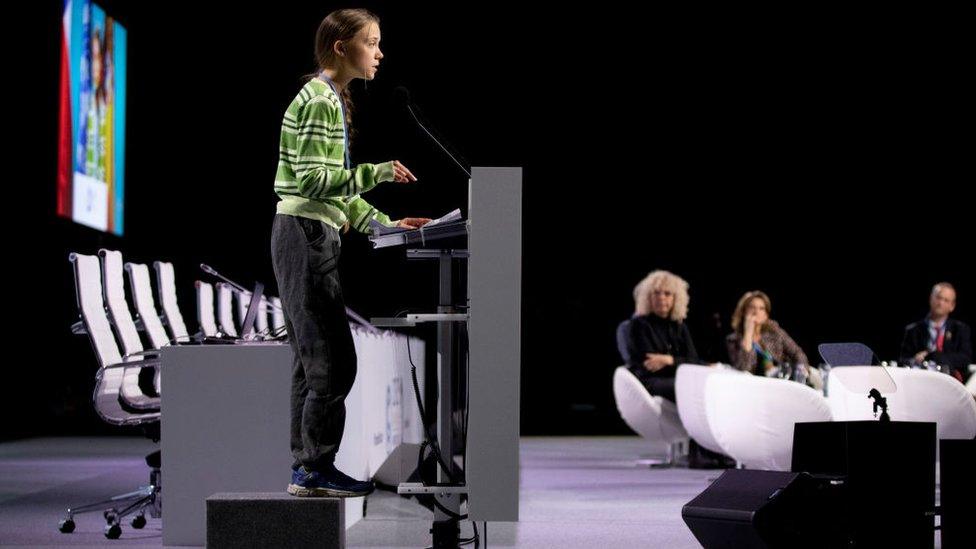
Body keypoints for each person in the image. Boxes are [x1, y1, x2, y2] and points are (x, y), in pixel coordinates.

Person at [271, 9, 431, 498]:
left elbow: (331, 192)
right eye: (372, 42)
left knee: (313, 361)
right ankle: (312, 468)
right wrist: (376, 172)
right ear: (341, 47)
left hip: (309, 231)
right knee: (333, 362)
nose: (379, 53)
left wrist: (382, 223)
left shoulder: (329, 98)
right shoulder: (320, 99)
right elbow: (315, 181)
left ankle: (306, 468)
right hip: (305, 234)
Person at [619, 270, 700, 403]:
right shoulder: (638, 325)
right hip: (648, 381)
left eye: (667, 294)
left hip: (677, 378)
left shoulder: (680, 326)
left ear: (676, 298)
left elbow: (693, 360)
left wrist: (670, 360)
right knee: (686, 388)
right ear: (648, 297)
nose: (661, 297)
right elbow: (649, 364)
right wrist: (680, 361)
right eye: (656, 293)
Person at [726, 290, 820, 389]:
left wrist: (802, 371)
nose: (756, 311)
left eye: (761, 308)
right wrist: (748, 332)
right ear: (744, 311)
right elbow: (745, 369)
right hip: (755, 387)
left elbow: (797, 352)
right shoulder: (733, 340)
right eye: (752, 307)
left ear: (766, 315)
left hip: (784, 381)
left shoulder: (775, 332)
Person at [900, 282, 972, 382]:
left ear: (952, 306)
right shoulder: (913, 330)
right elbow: (902, 360)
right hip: (920, 379)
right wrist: (915, 360)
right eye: (938, 297)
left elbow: (965, 358)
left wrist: (934, 356)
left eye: (946, 300)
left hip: (951, 380)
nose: (940, 303)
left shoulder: (960, 329)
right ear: (931, 298)